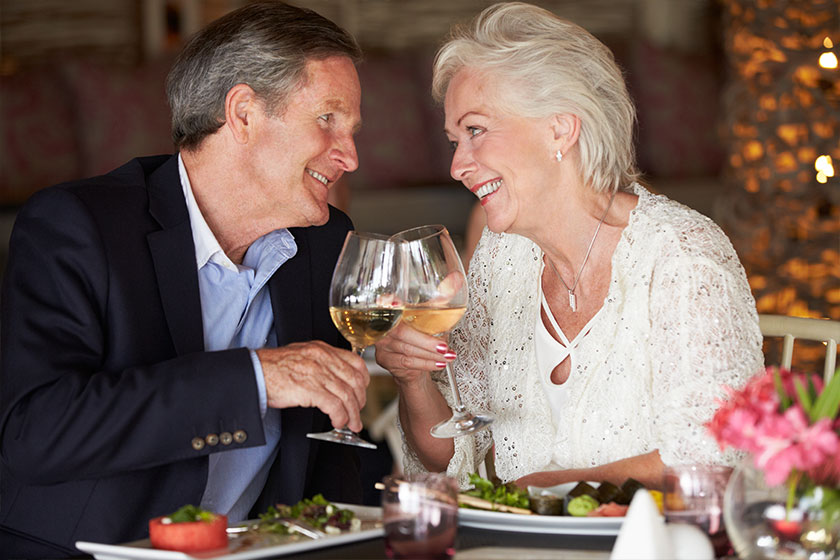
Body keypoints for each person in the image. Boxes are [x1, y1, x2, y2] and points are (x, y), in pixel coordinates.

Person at [0, 2, 368, 557]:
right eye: (327, 120)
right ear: (243, 114)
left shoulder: (325, 241)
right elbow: (36, 434)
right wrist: (255, 380)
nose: (351, 156)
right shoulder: (79, 226)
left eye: (352, 130)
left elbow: (329, 453)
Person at [374, 2, 764, 492]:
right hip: (522, 533)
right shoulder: (502, 255)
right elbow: (454, 455)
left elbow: (715, 458)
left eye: (475, 130)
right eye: (455, 140)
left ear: (560, 128)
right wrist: (411, 378)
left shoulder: (682, 255)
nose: (457, 166)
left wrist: (547, 487)